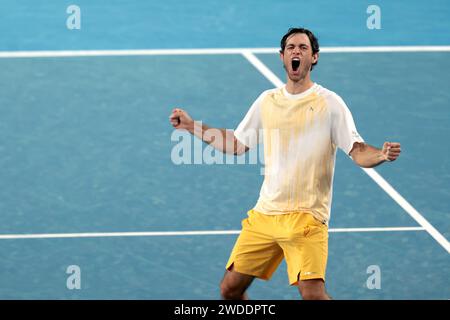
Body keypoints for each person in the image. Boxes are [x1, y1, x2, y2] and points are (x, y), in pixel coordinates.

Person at [168, 27, 401, 300]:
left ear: (314, 58)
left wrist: (381, 155)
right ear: (282, 56)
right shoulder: (267, 101)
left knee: (313, 295)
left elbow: (358, 150)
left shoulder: (330, 104)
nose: (296, 52)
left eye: (303, 48)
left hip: (306, 218)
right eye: (291, 47)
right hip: (265, 214)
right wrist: (191, 126)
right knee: (230, 289)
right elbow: (235, 143)